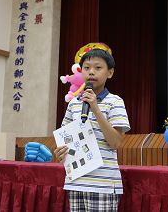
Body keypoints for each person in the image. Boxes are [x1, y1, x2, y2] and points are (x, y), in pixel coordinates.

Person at [54, 48, 130, 212]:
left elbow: (116, 142)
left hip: (102, 185)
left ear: (110, 73)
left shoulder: (115, 101)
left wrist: (95, 108)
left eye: (98, 67)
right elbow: (64, 137)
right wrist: (60, 152)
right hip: (75, 181)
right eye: (87, 68)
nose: (91, 72)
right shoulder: (74, 103)